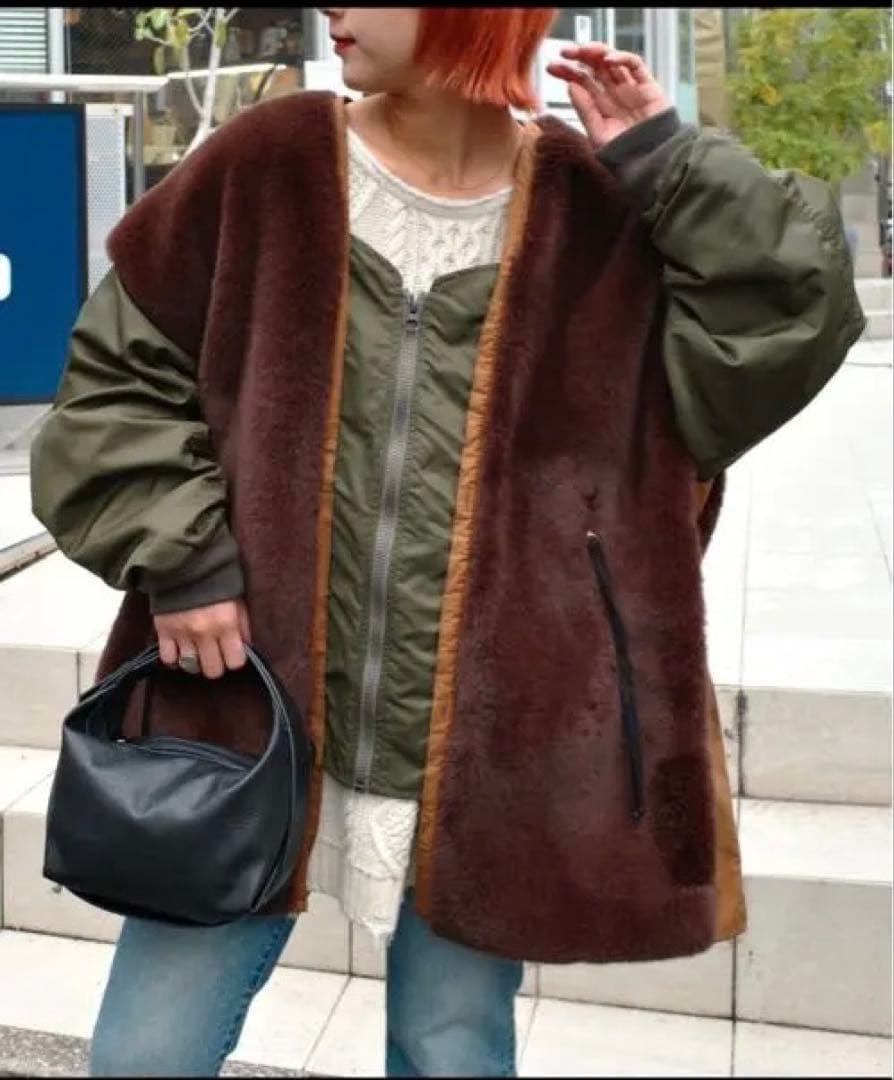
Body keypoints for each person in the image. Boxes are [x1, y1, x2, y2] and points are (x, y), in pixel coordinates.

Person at [29, 7, 865, 1077]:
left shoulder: (597, 207)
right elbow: (115, 384)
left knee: (452, 1050)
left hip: (493, 738)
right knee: (144, 1055)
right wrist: (184, 555)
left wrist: (672, 168)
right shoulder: (268, 163)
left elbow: (787, 319)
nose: (332, 9)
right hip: (245, 705)